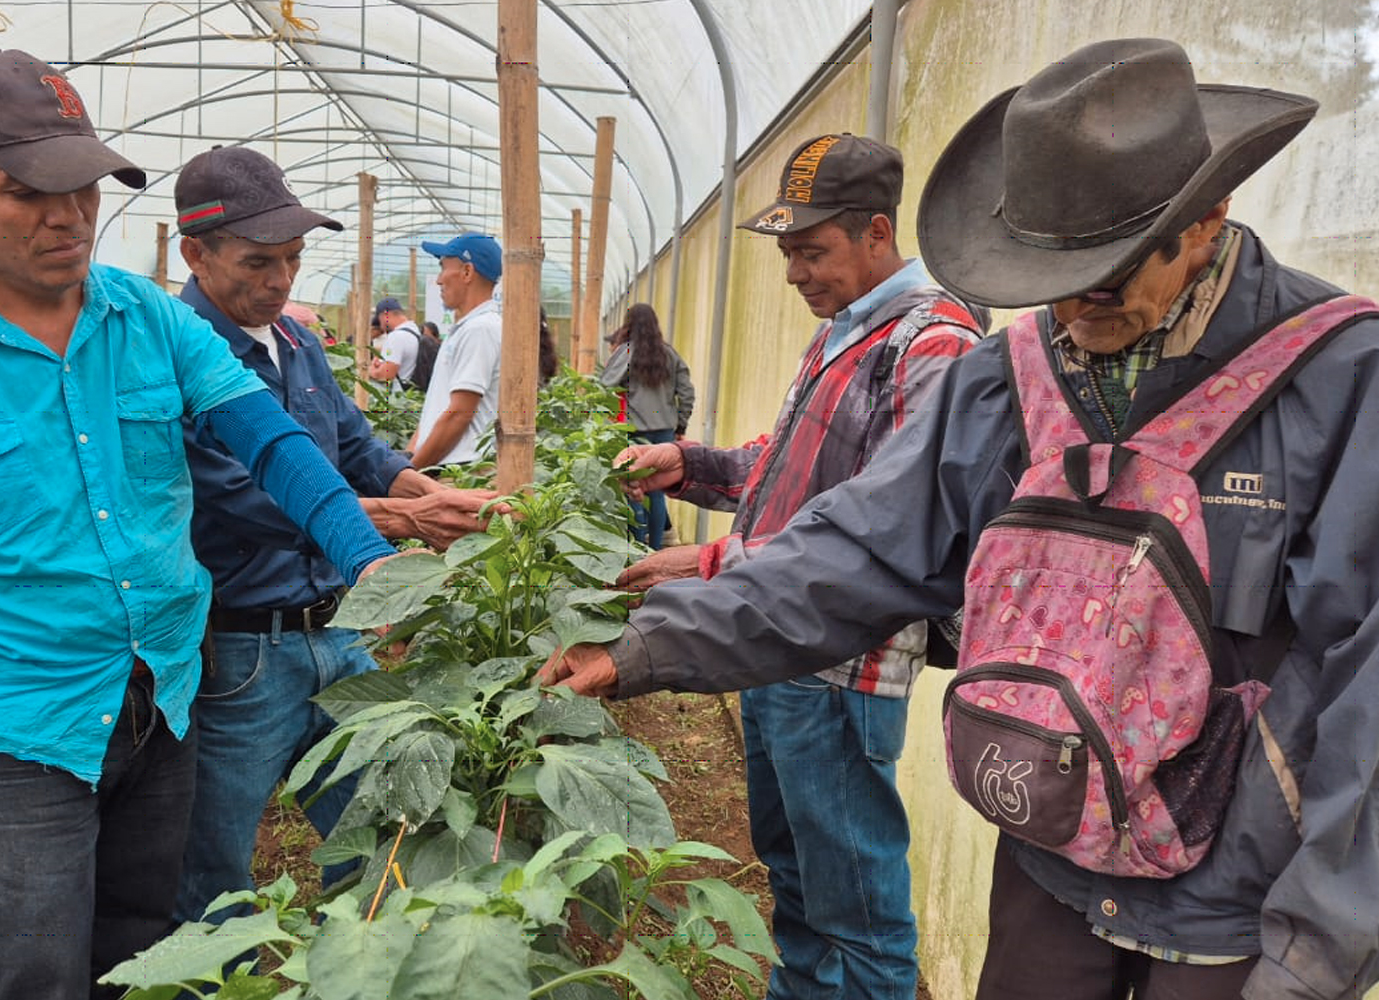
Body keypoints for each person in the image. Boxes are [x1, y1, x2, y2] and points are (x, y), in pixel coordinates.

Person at [543, 39, 1379, 1000]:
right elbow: (862, 543)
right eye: (1048, 276)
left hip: (1236, 901)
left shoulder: (1338, 378)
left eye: (1105, 275)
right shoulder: (1012, 381)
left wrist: (1316, 951)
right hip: (1051, 847)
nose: (1074, 308)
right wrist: (649, 646)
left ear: (1207, 216)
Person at [0, 50, 405, 1000]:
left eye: (84, 186)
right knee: (28, 974)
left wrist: (373, 559)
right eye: (26, 191)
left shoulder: (147, 319)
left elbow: (275, 443)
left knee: (142, 957)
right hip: (13, 736)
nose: (68, 215)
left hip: (161, 704)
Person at [597, 134, 982, 998]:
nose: (794, 275)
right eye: (788, 255)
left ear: (877, 234)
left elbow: (907, 526)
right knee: (798, 880)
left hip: (842, 661)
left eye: (813, 252)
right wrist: (691, 465)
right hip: (780, 645)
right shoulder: (847, 330)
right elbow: (799, 470)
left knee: (860, 913)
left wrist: (712, 559)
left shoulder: (934, 343)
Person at [170, 145, 496, 926]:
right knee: (214, 868)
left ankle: (359, 966)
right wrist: (405, 523)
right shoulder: (178, 353)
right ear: (195, 254)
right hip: (240, 653)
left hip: (338, 636)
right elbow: (242, 499)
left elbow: (354, 449)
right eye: (259, 262)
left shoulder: (298, 341)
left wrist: (432, 491)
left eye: (293, 258)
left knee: (376, 834)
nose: (281, 280)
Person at [597, 302, 695, 549]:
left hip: (634, 432)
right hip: (664, 431)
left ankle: (638, 548)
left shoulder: (627, 352)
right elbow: (687, 392)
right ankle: (656, 548)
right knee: (657, 491)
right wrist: (681, 424)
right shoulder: (670, 354)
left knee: (634, 488)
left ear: (629, 325)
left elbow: (605, 384)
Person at [408, 233, 503, 469]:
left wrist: (412, 472)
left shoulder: (481, 329)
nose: (439, 280)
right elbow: (438, 408)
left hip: (459, 471)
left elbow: (459, 414)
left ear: (467, 272)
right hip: (443, 464)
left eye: (443, 268)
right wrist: (405, 463)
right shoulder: (467, 328)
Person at [369, 295, 435, 392]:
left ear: (385, 315)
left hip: (398, 399)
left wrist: (371, 371)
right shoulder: (415, 332)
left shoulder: (396, 337)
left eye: (380, 321)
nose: (381, 327)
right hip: (413, 395)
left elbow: (387, 374)